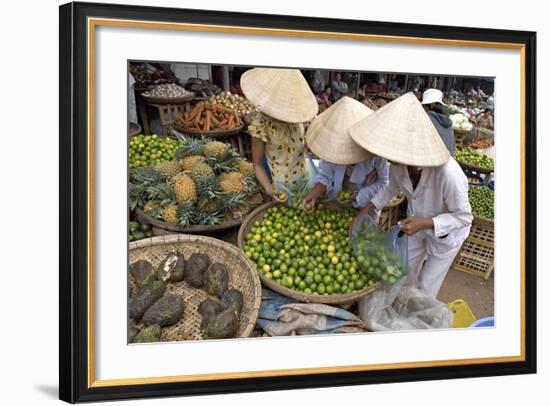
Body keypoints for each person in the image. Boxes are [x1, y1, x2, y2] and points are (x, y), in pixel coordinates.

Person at [349, 92, 472, 298]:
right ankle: (401, 309)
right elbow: (389, 189)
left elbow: (464, 217)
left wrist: (425, 223)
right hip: (416, 228)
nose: (388, 159)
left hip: (446, 235)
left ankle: (417, 321)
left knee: (426, 286)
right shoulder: (399, 164)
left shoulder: (449, 174)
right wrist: (363, 213)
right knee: (404, 272)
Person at [241, 68, 318, 201]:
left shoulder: (296, 115)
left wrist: (309, 145)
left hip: (304, 178)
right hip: (280, 187)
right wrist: (269, 189)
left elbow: (300, 144)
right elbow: (257, 164)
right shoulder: (261, 123)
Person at [301, 96, 389, 212]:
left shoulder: (375, 152)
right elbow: (326, 176)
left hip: (365, 206)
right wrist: (312, 196)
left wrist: (359, 195)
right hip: (338, 204)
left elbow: (384, 183)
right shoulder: (331, 146)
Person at [421, 88, 455, 156]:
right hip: (449, 161)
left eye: (423, 106)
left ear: (428, 106)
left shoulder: (427, 119)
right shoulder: (447, 120)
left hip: (434, 162)